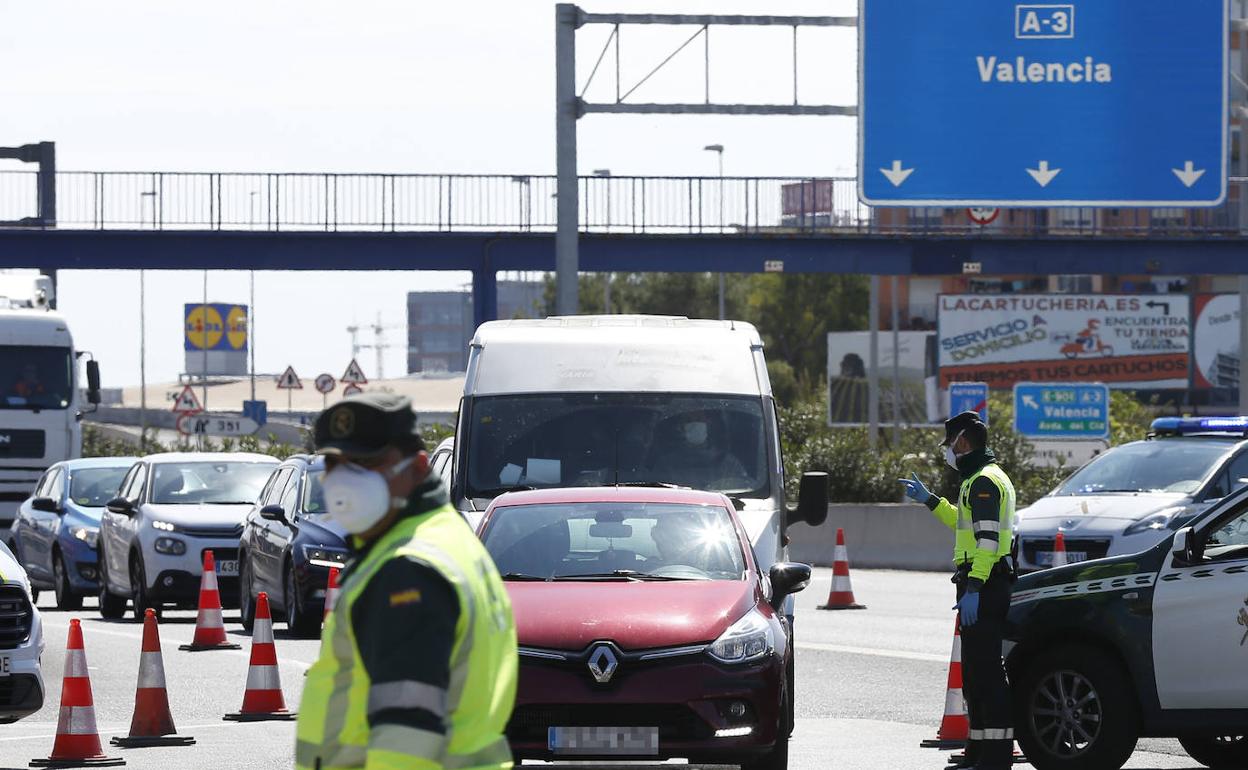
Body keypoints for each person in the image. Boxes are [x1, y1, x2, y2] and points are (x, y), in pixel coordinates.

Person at [296, 393, 517, 770]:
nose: (344, 480)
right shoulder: (447, 537)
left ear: (416, 467)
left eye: (365, 463)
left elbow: (406, 739)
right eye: (335, 463)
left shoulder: (408, 568)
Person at [899, 411, 1017, 770]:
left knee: (987, 674)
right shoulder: (977, 480)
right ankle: (979, 750)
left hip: (985, 582)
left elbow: (987, 541)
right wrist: (930, 500)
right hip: (981, 581)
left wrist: (976, 585)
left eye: (950, 443)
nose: (948, 451)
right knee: (976, 673)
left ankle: (995, 756)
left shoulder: (984, 482)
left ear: (963, 441)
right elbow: (961, 521)